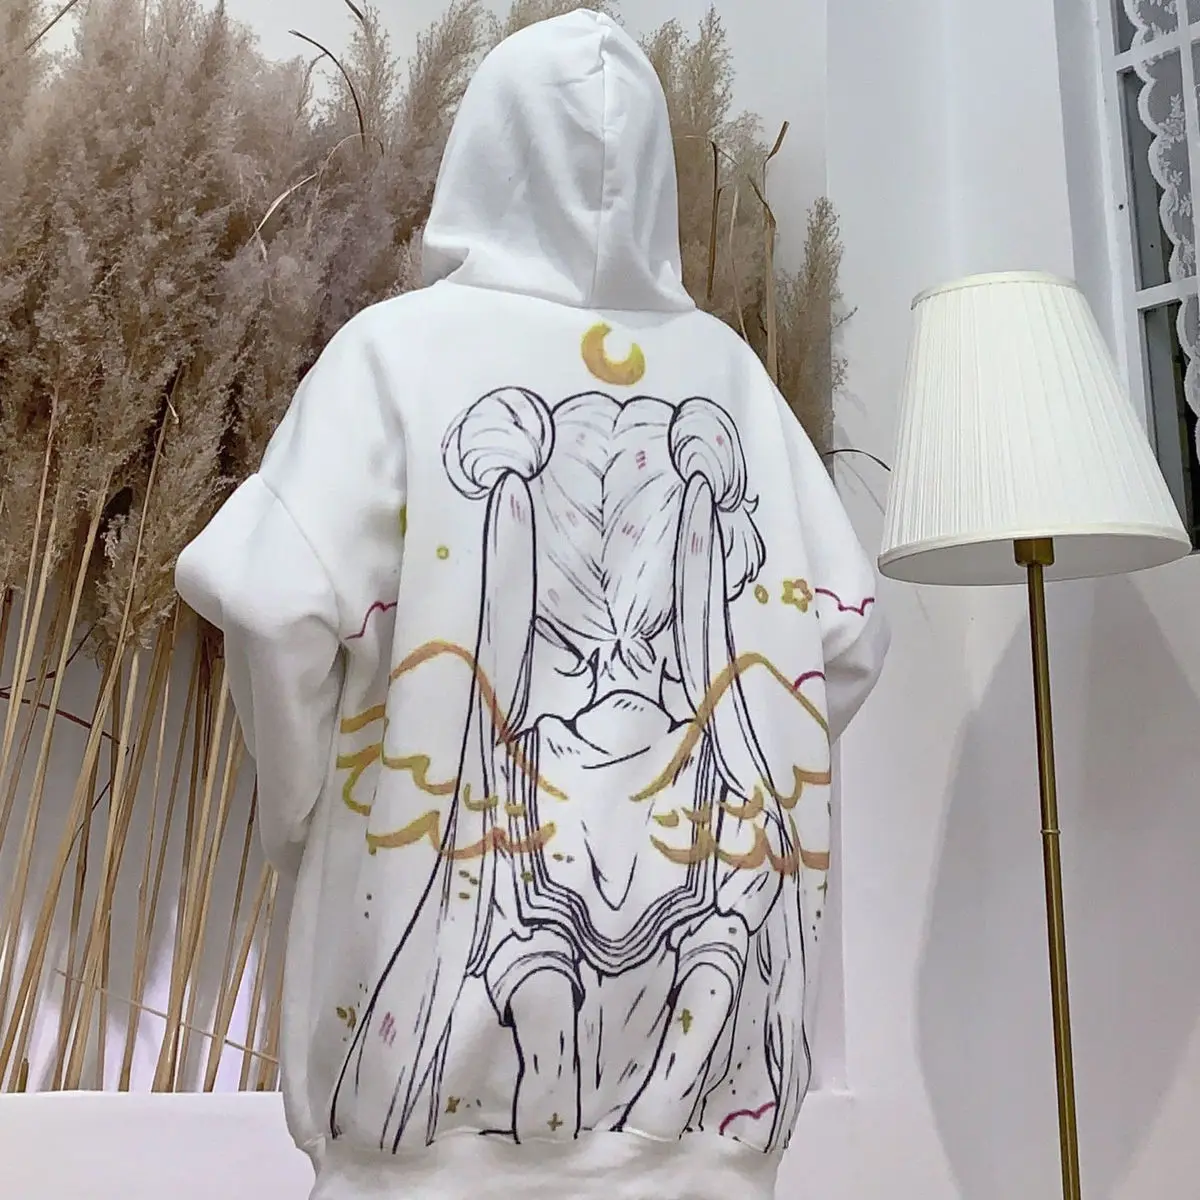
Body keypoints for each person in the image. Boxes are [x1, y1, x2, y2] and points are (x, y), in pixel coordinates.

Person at [175, 10, 889, 1200]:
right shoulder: (735, 383)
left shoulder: (394, 357)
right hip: (701, 1145)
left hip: (424, 1142)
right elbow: (849, 640)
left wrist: (300, 804)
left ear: (485, 151)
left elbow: (271, 602)